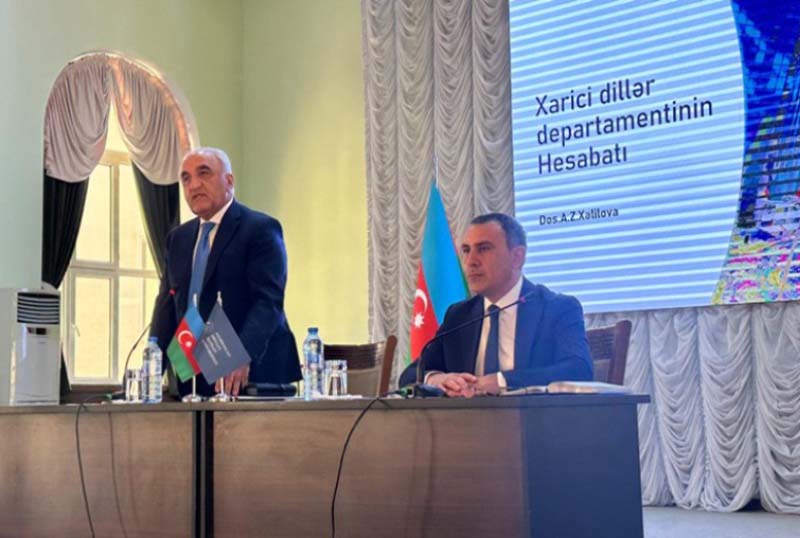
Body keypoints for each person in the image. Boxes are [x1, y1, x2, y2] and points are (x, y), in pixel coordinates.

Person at [150, 147, 301, 397]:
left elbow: (268, 302)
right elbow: (166, 304)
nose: (194, 185)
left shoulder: (260, 228)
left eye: (204, 173)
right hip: (193, 373)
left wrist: (242, 355)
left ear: (229, 181)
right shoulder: (178, 238)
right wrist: (152, 366)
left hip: (251, 373)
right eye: (186, 178)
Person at [399, 213, 592, 397]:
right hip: (466, 418)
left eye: (483, 249)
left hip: (532, 418)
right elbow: (410, 374)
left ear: (517, 257)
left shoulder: (557, 308)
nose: (470, 261)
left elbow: (580, 369)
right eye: (466, 250)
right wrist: (437, 379)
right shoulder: (459, 315)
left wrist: (501, 381)